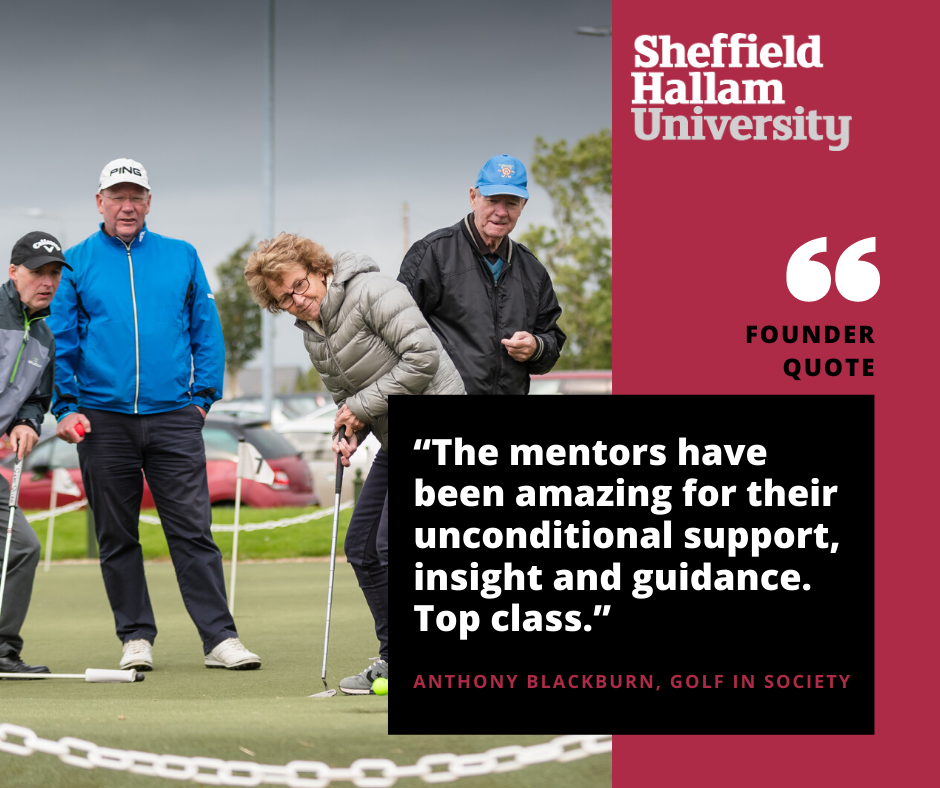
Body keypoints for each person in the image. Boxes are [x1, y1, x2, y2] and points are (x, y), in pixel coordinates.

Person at [47, 158, 260, 672]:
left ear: (148, 202)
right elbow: (62, 342)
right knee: (117, 535)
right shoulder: (75, 263)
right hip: (102, 420)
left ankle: (220, 638)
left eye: (136, 196)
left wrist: (202, 399)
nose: (127, 206)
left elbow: (205, 330)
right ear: (99, 202)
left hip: (174, 418)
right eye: (117, 197)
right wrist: (66, 406)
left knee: (193, 531)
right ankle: (136, 637)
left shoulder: (181, 255)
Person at [244, 233, 465, 693]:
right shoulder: (314, 335)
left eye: (300, 284)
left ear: (318, 269)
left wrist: (361, 408)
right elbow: (350, 400)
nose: (298, 299)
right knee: (361, 546)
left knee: (389, 545)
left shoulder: (372, 291)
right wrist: (350, 432)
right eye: (284, 298)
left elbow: (423, 358)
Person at [398, 153, 566, 395]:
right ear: (473, 198)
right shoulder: (432, 254)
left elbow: (551, 342)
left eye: (511, 203)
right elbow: (393, 335)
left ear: (523, 206)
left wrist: (536, 347)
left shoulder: (533, 271)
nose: (501, 212)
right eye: (493, 200)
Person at [0, 231, 69, 676]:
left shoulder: (44, 335)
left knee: (22, 547)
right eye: (37, 272)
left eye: (54, 273)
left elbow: (35, 398)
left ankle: (3, 649)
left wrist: (26, 422)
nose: (47, 281)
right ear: (13, 272)